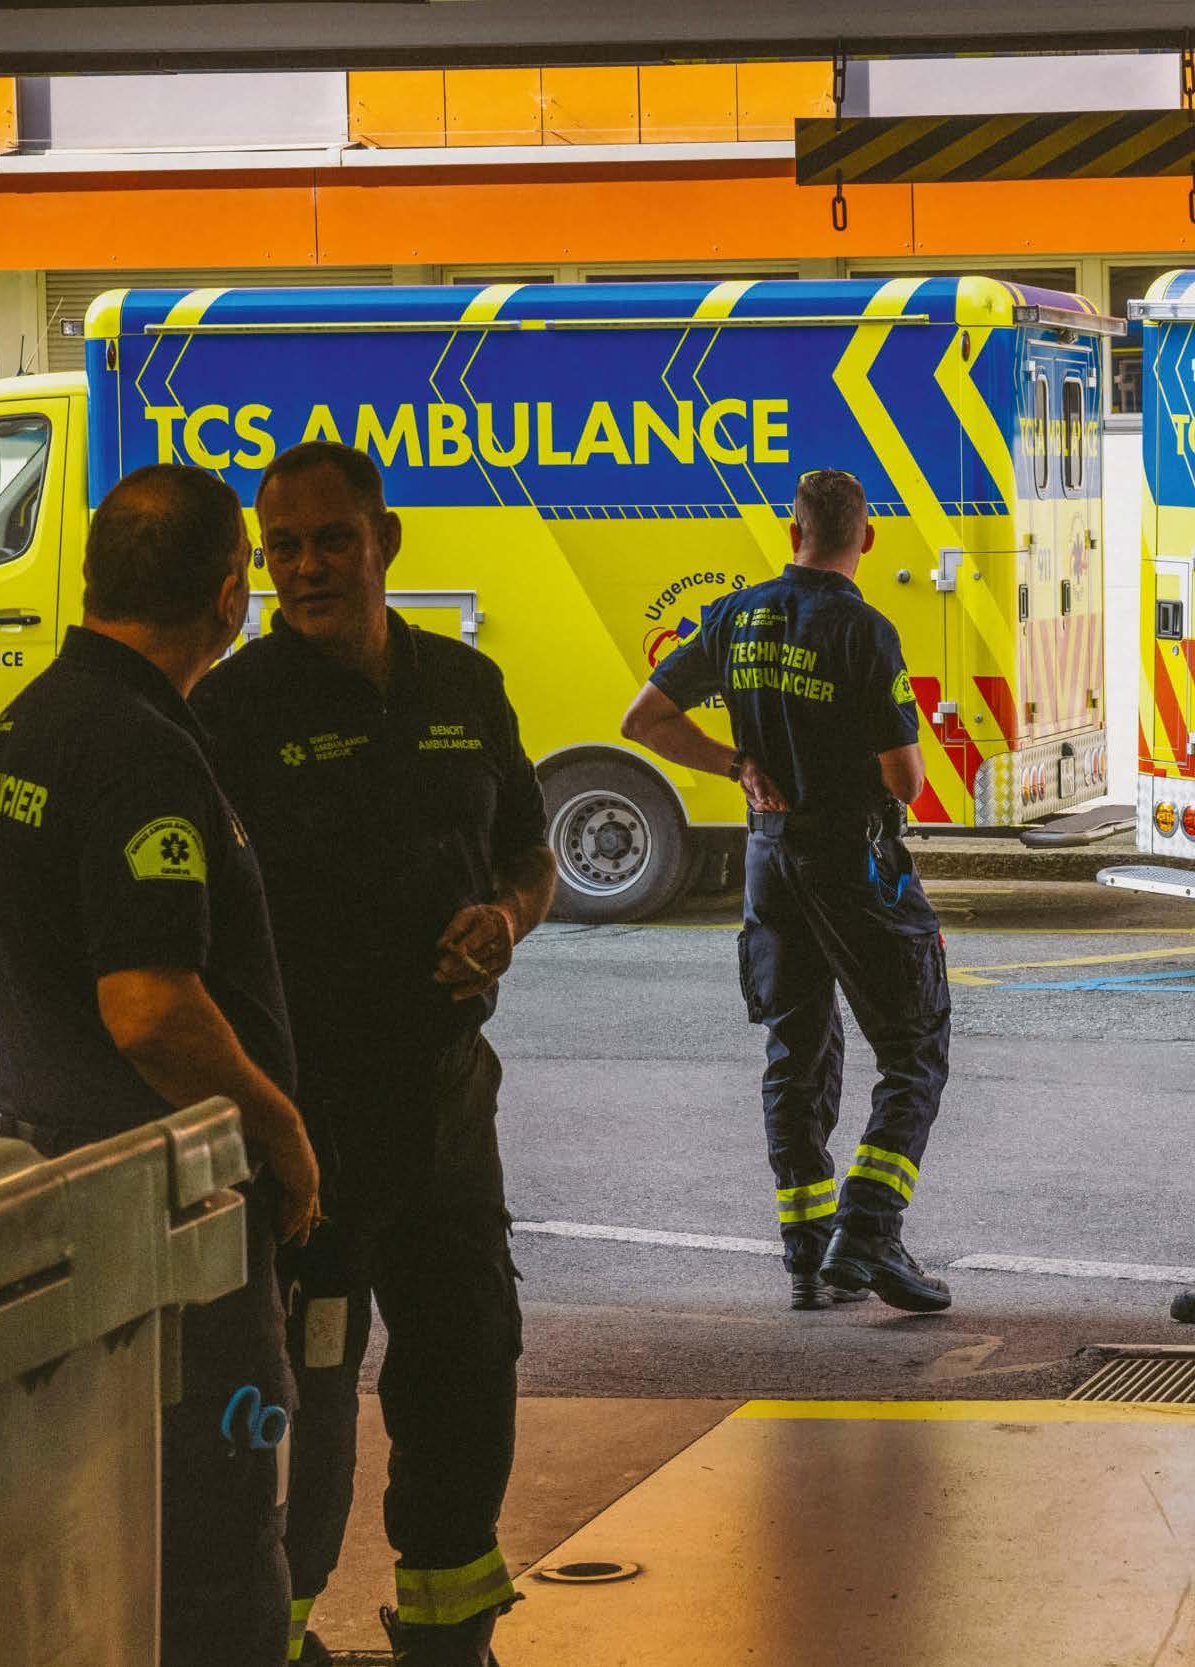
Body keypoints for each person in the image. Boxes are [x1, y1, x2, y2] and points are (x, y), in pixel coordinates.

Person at [191, 440, 556, 1667]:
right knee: (303, 1401)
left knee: (467, 1364)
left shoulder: (464, 683)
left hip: (447, 1103)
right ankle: (271, 1634)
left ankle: (449, 1633)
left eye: (330, 540)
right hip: (310, 1120)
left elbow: (529, 853)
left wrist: (505, 917)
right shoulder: (232, 712)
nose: (306, 567)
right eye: (282, 547)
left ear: (384, 540)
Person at [0, 464, 321, 1666]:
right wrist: (278, 1127)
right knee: (214, 1546)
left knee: (115, 1542)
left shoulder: (30, 723)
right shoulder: (139, 750)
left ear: (90, 577)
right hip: (167, 1218)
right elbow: (151, 1008)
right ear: (229, 596)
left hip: (70, 1185)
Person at [621, 468, 951, 1316]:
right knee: (914, 1049)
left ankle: (807, 1255)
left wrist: (738, 763)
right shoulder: (864, 632)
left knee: (796, 1051)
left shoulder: (736, 615)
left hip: (770, 861)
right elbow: (906, 781)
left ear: (790, 530)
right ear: (866, 538)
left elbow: (643, 720)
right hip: (853, 864)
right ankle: (868, 1233)